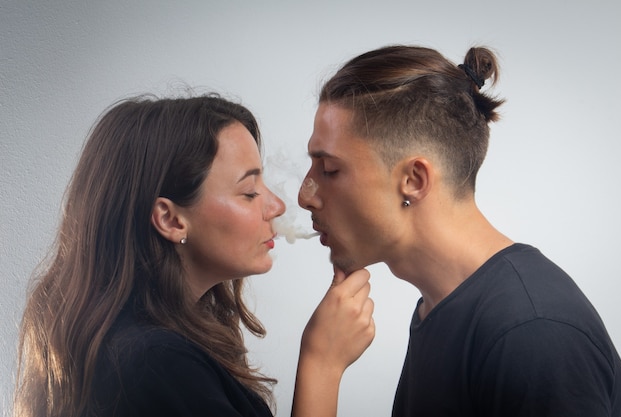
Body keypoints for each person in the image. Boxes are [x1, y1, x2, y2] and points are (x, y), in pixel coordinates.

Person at [298, 44, 621, 416]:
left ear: (413, 179)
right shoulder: (438, 306)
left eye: (329, 170)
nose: (304, 196)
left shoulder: (532, 333)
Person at [14, 94, 375, 417]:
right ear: (171, 219)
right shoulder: (157, 364)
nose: (277, 205)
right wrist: (322, 365)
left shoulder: (134, 345)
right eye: (249, 192)